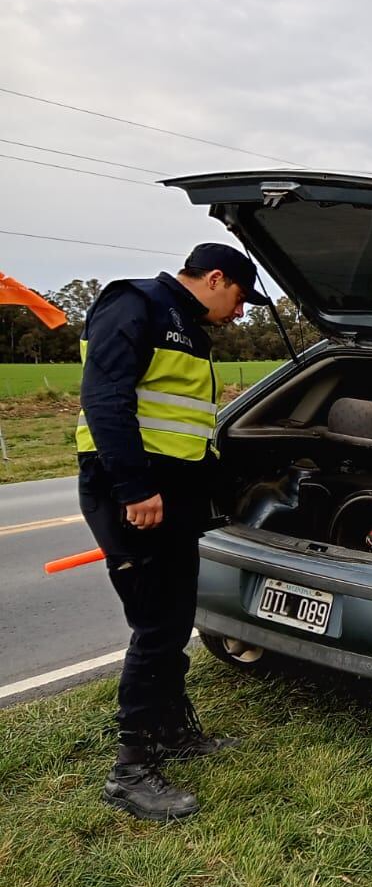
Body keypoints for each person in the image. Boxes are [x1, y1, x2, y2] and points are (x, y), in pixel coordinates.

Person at [77, 243, 268, 821]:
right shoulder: (135, 306)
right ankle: (131, 768)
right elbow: (105, 400)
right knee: (156, 627)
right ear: (215, 278)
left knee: (174, 617)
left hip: (171, 500)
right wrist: (135, 489)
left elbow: (180, 423)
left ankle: (174, 729)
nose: (240, 312)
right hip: (135, 497)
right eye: (239, 297)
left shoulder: (183, 323)